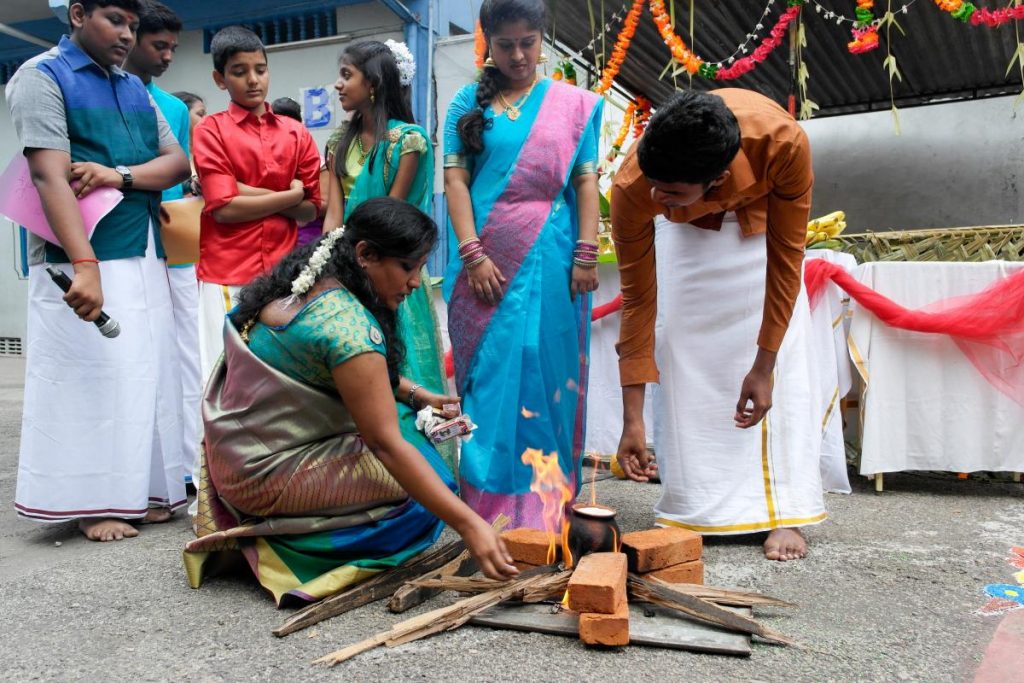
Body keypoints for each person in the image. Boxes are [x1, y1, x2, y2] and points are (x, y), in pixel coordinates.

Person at [184, 198, 518, 604]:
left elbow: (337, 371)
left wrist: (416, 394)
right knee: (431, 484)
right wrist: (470, 525)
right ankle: (293, 553)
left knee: (408, 428)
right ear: (365, 255)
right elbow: (385, 445)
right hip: (264, 476)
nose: (415, 282)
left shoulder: (310, 282)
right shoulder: (348, 327)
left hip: (236, 456)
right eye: (408, 267)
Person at [611, 89, 824, 561]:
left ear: (719, 179)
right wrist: (632, 421)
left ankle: (784, 511)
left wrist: (764, 365)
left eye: (669, 194)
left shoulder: (784, 143)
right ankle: (695, 505)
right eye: (654, 185)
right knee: (680, 349)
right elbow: (638, 303)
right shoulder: (636, 187)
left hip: (759, 232)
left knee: (782, 365)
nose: (655, 199)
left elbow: (786, 261)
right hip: (688, 236)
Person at [7, 0, 191, 541]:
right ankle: (91, 503)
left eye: (133, 26)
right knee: (90, 378)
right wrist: (84, 265)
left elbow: (176, 163)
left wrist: (119, 175)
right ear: (78, 14)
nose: (127, 35)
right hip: (79, 257)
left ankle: (141, 493)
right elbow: (47, 175)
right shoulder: (41, 76)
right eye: (116, 21)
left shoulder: (132, 85)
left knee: (141, 377)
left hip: (141, 249)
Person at [443, 0, 603, 529]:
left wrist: (585, 252)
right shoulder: (467, 101)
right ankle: (486, 504)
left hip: (554, 255)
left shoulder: (575, 104)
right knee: (489, 376)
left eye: (527, 43)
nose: (517, 55)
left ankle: (547, 505)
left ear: (542, 38)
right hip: (484, 256)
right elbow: (456, 182)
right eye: (505, 44)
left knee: (547, 368)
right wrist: (472, 253)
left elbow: (584, 182)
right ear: (487, 40)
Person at [322, 39, 451, 468]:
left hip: (390, 271)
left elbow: (391, 224)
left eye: (346, 75)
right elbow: (333, 218)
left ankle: (419, 474)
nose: (337, 85)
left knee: (400, 363)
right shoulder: (339, 142)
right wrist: (326, 269)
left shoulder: (407, 142)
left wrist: (365, 265)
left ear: (373, 84)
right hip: (346, 267)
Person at [191, 25, 322, 389]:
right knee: (225, 378)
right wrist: (288, 197)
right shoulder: (210, 131)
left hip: (283, 275)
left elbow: (313, 209)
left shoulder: (296, 133)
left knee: (281, 379)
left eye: (260, 69)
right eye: (239, 71)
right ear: (220, 79)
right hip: (227, 274)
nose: (253, 80)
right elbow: (224, 209)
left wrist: (250, 194)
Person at [123, 0, 200, 491]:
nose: (169, 55)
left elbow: (184, 173)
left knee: (187, 353)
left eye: (174, 47)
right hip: (128, 241)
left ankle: (189, 463)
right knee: (139, 354)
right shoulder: (110, 97)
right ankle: (141, 469)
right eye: (159, 45)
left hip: (176, 237)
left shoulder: (173, 107)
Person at [271, 96, 330, 248]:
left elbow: (325, 205)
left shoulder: (318, 163)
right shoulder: (265, 160)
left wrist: (273, 204)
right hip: (274, 236)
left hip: (308, 238)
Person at [172, 91, 206, 196]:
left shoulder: (209, 152)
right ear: (182, 115)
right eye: (201, 114)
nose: (207, 119)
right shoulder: (168, 154)